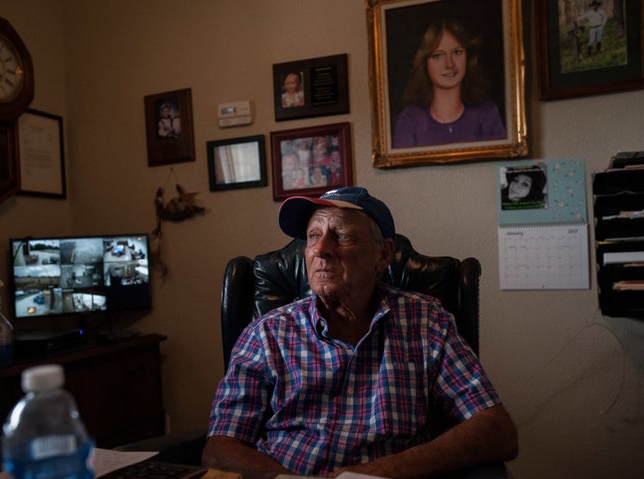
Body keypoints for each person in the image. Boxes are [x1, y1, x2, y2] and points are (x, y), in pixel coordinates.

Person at [203, 186, 519, 477]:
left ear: (383, 254)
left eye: (341, 236)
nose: (320, 250)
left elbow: (496, 430)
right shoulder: (267, 333)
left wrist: (375, 474)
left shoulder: (426, 322)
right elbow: (220, 449)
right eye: (313, 236)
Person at [393, 18, 505, 148]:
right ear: (425, 63)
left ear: (467, 56)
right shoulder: (410, 120)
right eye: (438, 56)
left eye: (457, 52)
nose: (449, 64)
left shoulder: (487, 113)